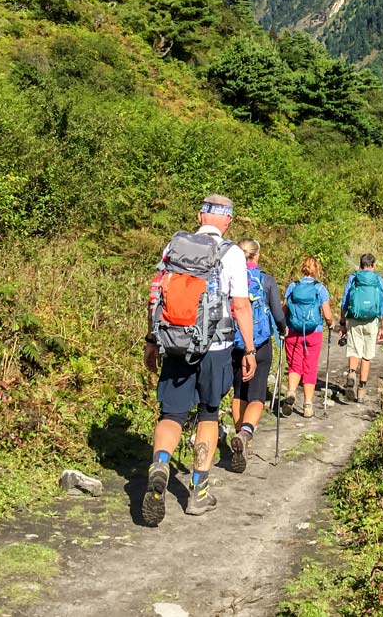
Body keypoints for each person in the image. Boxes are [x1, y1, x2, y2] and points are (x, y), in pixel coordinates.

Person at [142, 195, 255, 525]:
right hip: (216, 348)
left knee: (171, 413)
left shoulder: (174, 246)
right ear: (228, 222)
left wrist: (152, 340)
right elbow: (240, 306)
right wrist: (248, 350)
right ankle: (198, 493)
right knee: (208, 413)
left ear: (199, 216)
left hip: (174, 342)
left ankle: (160, 464)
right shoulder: (232, 253)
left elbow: (156, 296)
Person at [228, 239, 287, 473]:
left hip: (234, 343)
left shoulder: (230, 278)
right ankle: (245, 434)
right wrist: (283, 328)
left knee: (239, 392)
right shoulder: (266, 280)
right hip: (260, 344)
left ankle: (242, 440)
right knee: (257, 395)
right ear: (257, 256)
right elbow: (275, 311)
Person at [282, 256, 333, 419]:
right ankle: (308, 406)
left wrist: (283, 326)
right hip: (313, 332)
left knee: (294, 365)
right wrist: (331, 323)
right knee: (310, 368)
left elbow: (284, 309)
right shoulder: (319, 288)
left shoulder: (293, 286)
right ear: (316, 270)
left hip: (293, 331)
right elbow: (327, 313)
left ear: (302, 268)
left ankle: (291, 391)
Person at [337, 253, 383, 403]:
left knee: (354, 349)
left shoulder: (353, 278)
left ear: (360, 265)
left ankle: (352, 373)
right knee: (367, 355)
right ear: (374, 265)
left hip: (354, 319)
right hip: (372, 321)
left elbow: (344, 302)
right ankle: (361, 391)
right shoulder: (378, 280)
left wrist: (342, 323)